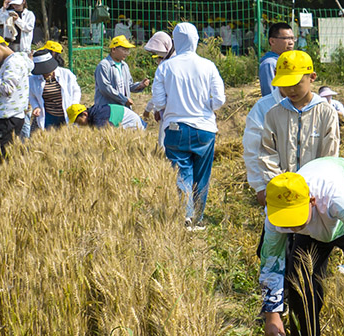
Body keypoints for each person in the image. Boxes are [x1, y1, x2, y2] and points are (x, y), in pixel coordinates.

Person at [259, 157, 344, 336]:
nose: (291, 227)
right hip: (314, 225)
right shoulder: (274, 215)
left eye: (296, 219)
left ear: (312, 201)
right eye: (286, 221)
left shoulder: (336, 198)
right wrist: (272, 314)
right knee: (300, 277)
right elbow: (271, 262)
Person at [147, 24, 227, 229]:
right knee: (202, 175)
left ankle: (185, 215)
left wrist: (172, 105)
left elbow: (158, 101)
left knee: (182, 172)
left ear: (175, 41)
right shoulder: (208, 65)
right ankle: (198, 220)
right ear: (197, 39)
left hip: (175, 127)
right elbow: (219, 100)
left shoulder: (165, 67)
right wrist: (207, 107)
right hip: (205, 128)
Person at [257, 50, 341, 193]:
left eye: (296, 83)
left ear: (312, 77)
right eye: (285, 84)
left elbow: (329, 155)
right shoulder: (274, 114)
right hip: (283, 190)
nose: (291, 89)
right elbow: (267, 152)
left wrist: (314, 185)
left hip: (316, 190)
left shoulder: (326, 112)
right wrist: (279, 182)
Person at [28, 49, 81, 130]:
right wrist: (36, 107)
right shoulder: (33, 79)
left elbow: (76, 91)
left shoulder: (66, 74)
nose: (46, 74)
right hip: (49, 116)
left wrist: (74, 104)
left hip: (66, 113)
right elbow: (32, 96)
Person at [94, 35, 149, 110]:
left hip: (122, 108)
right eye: (124, 50)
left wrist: (140, 85)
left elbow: (128, 85)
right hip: (107, 109)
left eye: (128, 50)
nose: (127, 53)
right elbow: (105, 88)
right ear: (113, 49)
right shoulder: (104, 66)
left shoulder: (124, 65)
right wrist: (124, 99)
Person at [259, 21, 296, 96]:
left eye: (292, 38)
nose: (291, 42)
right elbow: (271, 96)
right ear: (272, 41)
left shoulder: (288, 61)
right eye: (286, 38)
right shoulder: (269, 64)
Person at [66, 102, 146, 129]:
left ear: (84, 114)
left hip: (133, 125)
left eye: (77, 121)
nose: (78, 124)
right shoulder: (95, 113)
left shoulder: (99, 118)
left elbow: (106, 137)